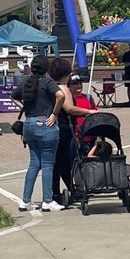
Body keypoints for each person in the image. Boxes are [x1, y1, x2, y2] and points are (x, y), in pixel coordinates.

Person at [11, 56, 66, 213]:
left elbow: (13, 96)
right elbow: (60, 96)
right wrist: (54, 113)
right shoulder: (48, 82)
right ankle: (47, 200)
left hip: (29, 124)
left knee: (34, 163)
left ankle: (25, 200)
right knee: (48, 164)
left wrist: (25, 107)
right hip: (45, 124)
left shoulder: (26, 82)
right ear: (46, 69)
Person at [48, 58, 98, 204]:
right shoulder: (63, 89)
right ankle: (57, 194)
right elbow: (69, 108)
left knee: (62, 163)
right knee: (61, 162)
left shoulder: (49, 86)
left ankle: (71, 189)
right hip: (63, 127)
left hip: (52, 127)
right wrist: (88, 111)